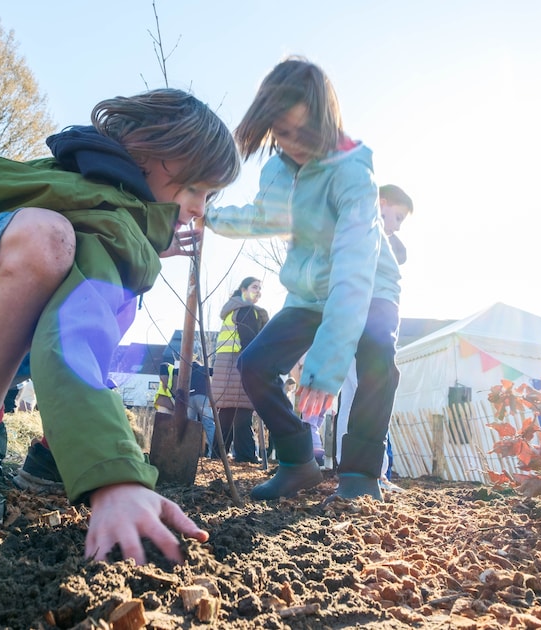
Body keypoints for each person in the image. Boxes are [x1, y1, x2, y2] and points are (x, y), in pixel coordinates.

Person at [0, 88, 240, 564]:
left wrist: (145, 250)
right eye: (195, 187)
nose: (200, 207)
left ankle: (53, 450)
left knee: (115, 287)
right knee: (46, 239)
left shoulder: (95, 195)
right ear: (147, 150)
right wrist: (112, 474)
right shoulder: (96, 210)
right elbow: (72, 329)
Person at [206, 57, 401, 502]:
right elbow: (265, 216)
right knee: (254, 365)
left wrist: (327, 366)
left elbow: (353, 272)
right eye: (280, 134)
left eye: (301, 133)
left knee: (377, 362)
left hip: (369, 287)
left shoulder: (353, 174)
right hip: (309, 292)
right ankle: (298, 462)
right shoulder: (278, 167)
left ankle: (361, 475)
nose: (290, 144)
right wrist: (209, 216)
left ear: (324, 121)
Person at [334, 184, 414, 484]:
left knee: (358, 395)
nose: (397, 225)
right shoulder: (362, 234)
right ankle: (365, 471)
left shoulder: (376, 239)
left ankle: (358, 468)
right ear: (381, 204)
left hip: (362, 321)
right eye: (397, 217)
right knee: (367, 391)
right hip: (363, 320)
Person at [212, 277, 269, 463]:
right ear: (243, 289)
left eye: (260, 288)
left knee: (227, 412)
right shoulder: (246, 310)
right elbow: (249, 342)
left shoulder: (232, 310)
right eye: (255, 287)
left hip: (225, 367)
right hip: (239, 365)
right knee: (243, 411)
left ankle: (217, 453)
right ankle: (246, 455)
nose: (259, 291)